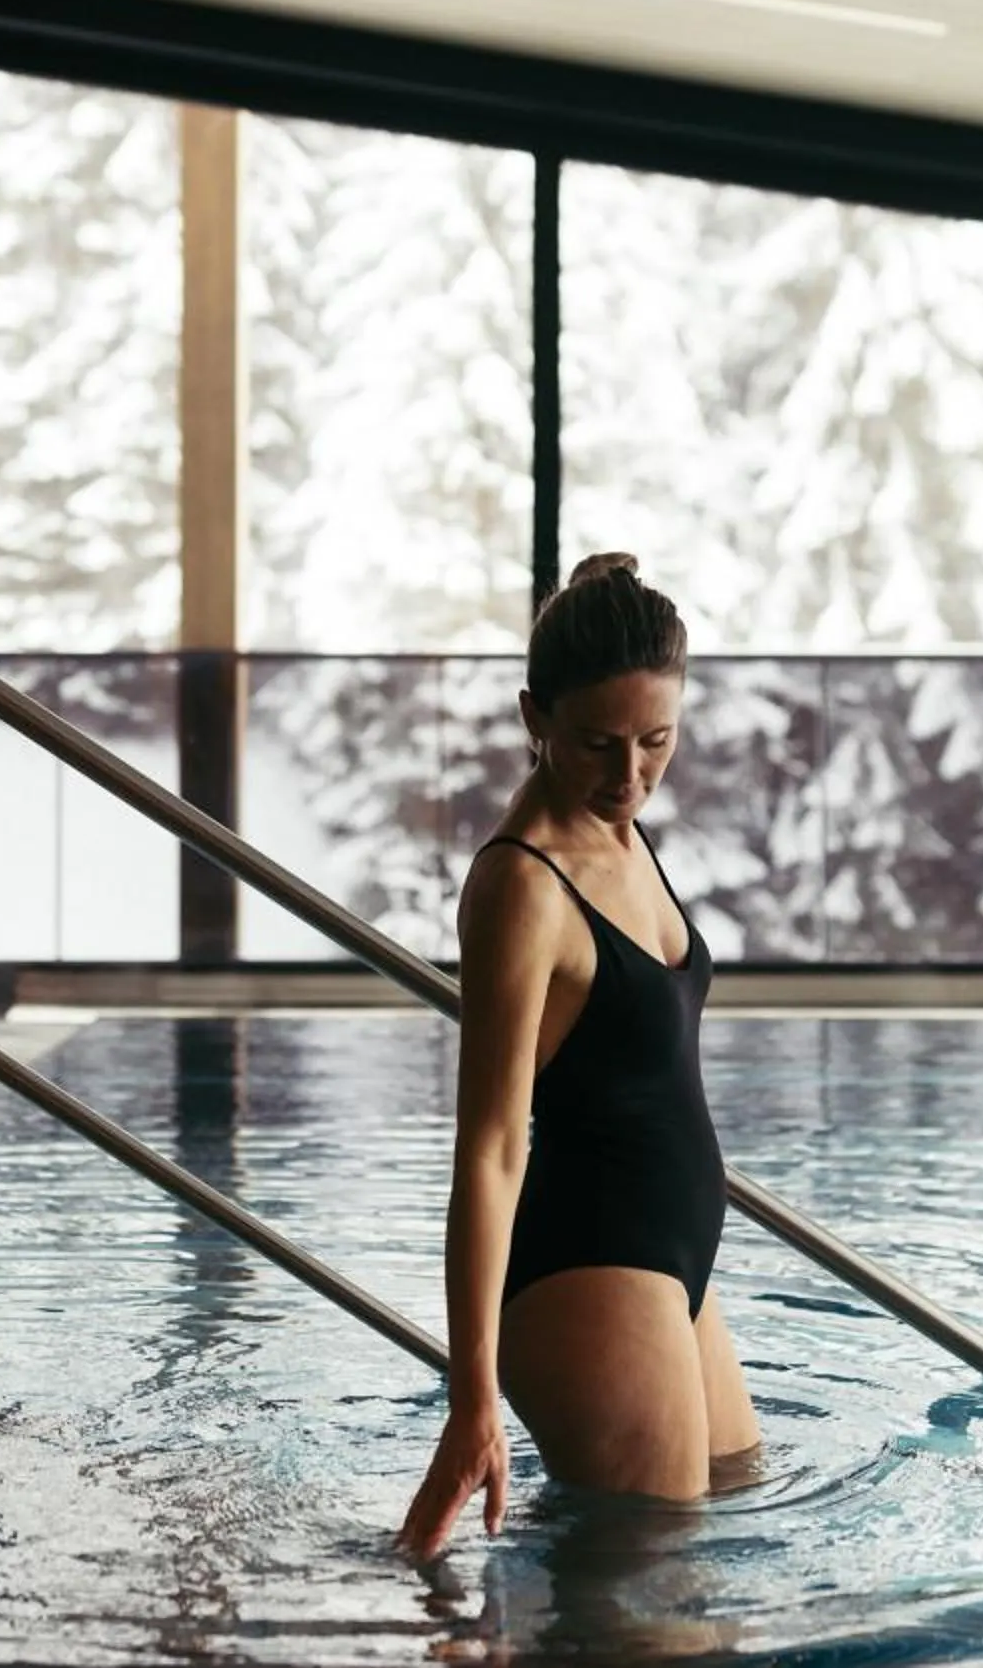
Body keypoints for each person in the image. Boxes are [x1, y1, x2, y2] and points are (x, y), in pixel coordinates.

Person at [396, 554, 759, 1564]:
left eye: (656, 740)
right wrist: (471, 1396)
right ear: (536, 718)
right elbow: (490, 1149)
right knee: (646, 1586)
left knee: (731, 1515)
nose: (630, 774)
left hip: (671, 1259)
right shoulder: (524, 885)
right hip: (588, 1266)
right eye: (600, 743)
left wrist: (605, 582)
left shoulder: (620, 828)